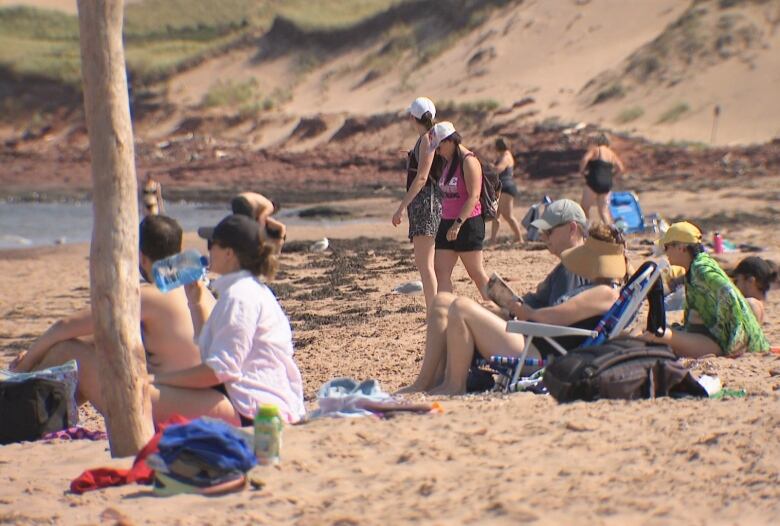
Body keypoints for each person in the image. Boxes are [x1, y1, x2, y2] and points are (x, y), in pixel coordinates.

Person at [398, 199, 598, 395]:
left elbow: (556, 320)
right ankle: (427, 381)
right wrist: (508, 308)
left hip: (540, 349)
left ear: (572, 228)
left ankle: (454, 385)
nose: (544, 237)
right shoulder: (571, 265)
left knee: (461, 307)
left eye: (549, 231)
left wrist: (515, 313)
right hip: (529, 335)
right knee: (442, 302)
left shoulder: (575, 268)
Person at [11, 215, 214, 392]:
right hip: (203, 393)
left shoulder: (149, 296)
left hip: (171, 398)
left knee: (67, 350)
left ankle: (16, 389)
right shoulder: (197, 289)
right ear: (179, 250)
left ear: (141, 257)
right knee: (99, 341)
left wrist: (26, 363)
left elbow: (64, 326)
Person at [150, 214, 305, 425]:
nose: (208, 250)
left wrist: (157, 379)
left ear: (229, 253)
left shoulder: (240, 297)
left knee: (137, 394)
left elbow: (219, 370)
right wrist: (195, 301)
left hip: (253, 409)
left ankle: (128, 452)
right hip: (255, 399)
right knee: (150, 390)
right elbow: (212, 351)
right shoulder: (249, 290)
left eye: (212, 244)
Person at [640, 222, 769, 357]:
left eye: (667, 247)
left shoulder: (701, 271)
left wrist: (734, 338)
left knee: (659, 334)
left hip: (720, 343)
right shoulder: (698, 266)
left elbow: (728, 294)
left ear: (681, 248)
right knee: (657, 331)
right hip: (711, 335)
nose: (666, 252)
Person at [391, 97, 442, 311]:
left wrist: (401, 208)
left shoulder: (427, 139)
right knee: (432, 264)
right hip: (434, 202)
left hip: (425, 205)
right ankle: (437, 309)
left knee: (425, 265)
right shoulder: (435, 137)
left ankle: (434, 312)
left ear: (413, 117)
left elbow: (422, 178)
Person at [431, 121, 490, 300]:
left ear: (449, 141)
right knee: (440, 271)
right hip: (446, 221)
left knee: (476, 273)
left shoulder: (469, 161)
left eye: (439, 147)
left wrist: (457, 224)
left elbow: (473, 196)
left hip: (467, 223)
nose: (437, 151)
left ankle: (503, 309)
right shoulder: (448, 162)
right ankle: (443, 313)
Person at [579, 133, 624, 226]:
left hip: (594, 180)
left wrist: (582, 171)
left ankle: (587, 229)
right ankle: (612, 232)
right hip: (607, 184)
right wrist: (612, 176)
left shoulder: (596, 150)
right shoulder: (612, 153)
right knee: (603, 211)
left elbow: (585, 159)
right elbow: (621, 168)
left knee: (584, 207)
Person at [488, 137, 523, 244]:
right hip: (500, 187)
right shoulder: (502, 156)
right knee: (495, 215)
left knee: (507, 215)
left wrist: (491, 166)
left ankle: (519, 238)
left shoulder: (506, 156)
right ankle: (492, 240)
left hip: (506, 187)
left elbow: (498, 169)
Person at [731, 256, 776, 324]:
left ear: (751, 281)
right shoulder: (759, 305)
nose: (735, 285)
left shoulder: (750, 304)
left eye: (737, 280)